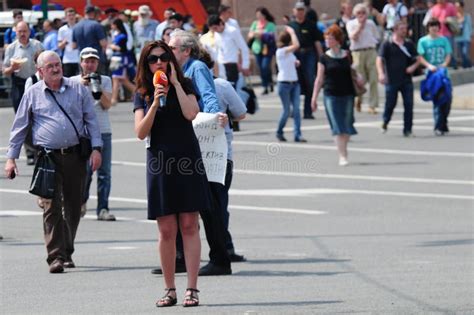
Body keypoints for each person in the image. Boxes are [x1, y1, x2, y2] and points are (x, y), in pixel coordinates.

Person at [4, 51, 102, 273]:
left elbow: (91, 121)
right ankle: (56, 256)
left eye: (57, 64)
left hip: (76, 156)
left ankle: (66, 249)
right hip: (48, 157)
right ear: (40, 71)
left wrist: (96, 149)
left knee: (74, 206)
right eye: (50, 66)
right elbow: (19, 127)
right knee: (51, 206)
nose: (56, 68)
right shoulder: (33, 93)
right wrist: (11, 158)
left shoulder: (78, 88)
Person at [134, 40, 205, 307]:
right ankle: (170, 289)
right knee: (166, 230)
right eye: (153, 59)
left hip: (187, 158)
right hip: (160, 162)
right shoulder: (142, 91)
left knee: (189, 224)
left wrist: (174, 85)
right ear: (146, 64)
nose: (159, 63)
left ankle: (192, 289)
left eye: (164, 57)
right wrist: (154, 101)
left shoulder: (185, 85)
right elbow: (140, 132)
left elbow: (192, 113)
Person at [168, 30, 236, 276]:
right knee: (191, 204)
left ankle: (220, 258)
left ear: (186, 50)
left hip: (204, 148)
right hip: (191, 146)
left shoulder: (196, 68)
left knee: (210, 206)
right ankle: (183, 257)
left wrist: (212, 120)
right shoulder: (178, 71)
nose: (169, 52)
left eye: (173, 48)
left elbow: (209, 98)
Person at [199, 49, 248, 262]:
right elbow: (241, 112)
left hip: (195, 153)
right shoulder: (222, 85)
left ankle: (197, 251)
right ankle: (225, 247)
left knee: (196, 207)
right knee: (219, 203)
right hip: (221, 152)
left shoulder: (187, 86)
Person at [72, 47, 115, 221]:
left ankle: (103, 208)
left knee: (104, 172)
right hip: (83, 133)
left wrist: (97, 86)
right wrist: (82, 86)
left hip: (103, 130)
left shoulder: (105, 80)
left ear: (98, 63)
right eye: (87, 61)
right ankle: (81, 201)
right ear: (81, 62)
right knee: (85, 171)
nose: (90, 65)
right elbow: (71, 107)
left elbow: (107, 104)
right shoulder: (73, 81)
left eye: (93, 61)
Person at [311, 25, 357, 166]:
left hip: (348, 93)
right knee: (337, 125)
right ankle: (342, 155)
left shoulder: (347, 55)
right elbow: (319, 79)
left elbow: (353, 72)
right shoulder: (324, 58)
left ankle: (344, 147)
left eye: (330, 38)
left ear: (338, 40)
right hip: (331, 94)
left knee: (348, 125)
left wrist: (359, 77)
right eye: (326, 39)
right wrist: (314, 98)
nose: (327, 41)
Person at [2, 21, 44, 165]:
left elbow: (45, 62)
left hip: (36, 82)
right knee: (23, 118)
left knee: (39, 117)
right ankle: (30, 152)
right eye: (19, 31)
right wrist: (12, 67)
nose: (22, 34)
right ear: (15, 32)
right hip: (19, 84)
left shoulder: (37, 45)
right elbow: (5, 72)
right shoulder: (12, 48)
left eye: (24, 31)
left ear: (29, 31)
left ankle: (41, 149)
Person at [377, 21, 419, 137]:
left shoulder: (409, 44)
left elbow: (418, 59)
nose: (404, 31)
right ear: (395, 30)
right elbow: (379, 59)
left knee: (409, 104)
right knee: (390, 103)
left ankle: (408, 129)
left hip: (406, 79)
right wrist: (381, 73)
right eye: (401, 29)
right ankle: (385, 121)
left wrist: (413, 67)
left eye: (405, 28)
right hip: (391, 80)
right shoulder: (387, 44)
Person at [289, 1, 324, 120]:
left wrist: (322, 58)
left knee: (309, 81)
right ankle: (294, 110)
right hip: (295, 55)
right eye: (298, 10)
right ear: (294, 11)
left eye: (302, 10)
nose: (300, 12)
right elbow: (285, 44)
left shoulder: (311, 24)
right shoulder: (291, 26)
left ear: (305, 11)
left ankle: (308, 111)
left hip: (309, 54)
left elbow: (317, 42)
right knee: (294, 82)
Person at [417, 18, 452, 136]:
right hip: (431, 74)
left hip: (443, 73)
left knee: (447, 98)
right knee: (437, 99)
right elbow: (420, 57)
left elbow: (448, 54)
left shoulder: (444, 40)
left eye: (436, 25)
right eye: (432, 26)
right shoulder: (423, 41)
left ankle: (443, 122)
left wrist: (445, 64)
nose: (434, 28)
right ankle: (438, 126)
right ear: (428, 28)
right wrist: (429, 65)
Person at [346, 3, 380, 114]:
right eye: (359, 13)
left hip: (370, 51)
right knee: (361, 79)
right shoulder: (351, 24)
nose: (361, 15)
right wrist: (360, 27)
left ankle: (372, 105)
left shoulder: (371, 24)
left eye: (363, 12)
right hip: (358, 53)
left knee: (374, 78)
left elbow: (377, 37)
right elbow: (353, 37)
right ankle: (358, 99)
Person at [275, 26, 306, 143]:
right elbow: (297, 45)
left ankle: (298, 135)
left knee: (297, 110)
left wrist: (296, 62)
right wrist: (293, 32)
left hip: (294, 83)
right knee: (286, 110)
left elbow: (292, 60)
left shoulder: (289, 53)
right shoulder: (281, 51)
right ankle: (279, 131)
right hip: (284, 84)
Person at [207, 15, 251, 88]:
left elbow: (243, 48)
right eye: (213, 29)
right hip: (221, 65)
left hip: (232, 65)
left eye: (215, 28)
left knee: (233, 88)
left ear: (221, 23)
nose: (215, 30)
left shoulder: (232, 31)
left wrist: (245, 65)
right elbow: (218, 50)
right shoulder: (216, 34)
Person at [248, 7, 277, 95]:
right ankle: (268, 83)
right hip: (257, 48)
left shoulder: (271, 25)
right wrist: (258, 34)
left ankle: (266, 84)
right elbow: (250, 34)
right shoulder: (254, 24)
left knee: (265, 66)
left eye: (260, 15)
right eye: (257, 15)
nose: (258, 16)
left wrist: (260, 33)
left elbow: (273, 36)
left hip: (267, 49)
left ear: (264, 15)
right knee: (261, 68)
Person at [72, 5, 108, 73]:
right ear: (93, 13)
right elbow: (103, 43)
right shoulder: (97, 25)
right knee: (98, 81)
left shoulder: (76, 26)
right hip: (95, 58)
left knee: (83, 80)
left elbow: (74, 46)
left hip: (82, 59)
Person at [109, 18, 136, 105]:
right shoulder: (116, 35)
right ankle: (137, 92)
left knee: (116, 78)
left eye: (113, 24)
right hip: (115, 58)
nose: (111, 26)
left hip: (120, 59)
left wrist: (113, 46)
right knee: (121, 79)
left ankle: (114, 98)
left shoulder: (123, 36)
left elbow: (123, 49)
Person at [430, 0, 457, 68]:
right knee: (442, 51)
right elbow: (433, 20)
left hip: (448, 33)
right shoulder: (434, 8)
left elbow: (455, 18)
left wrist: (448, 20)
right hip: (438, 34)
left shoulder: (450, 6)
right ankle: (445, 66)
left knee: (449, 51)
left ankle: (453, 65)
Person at [58, 8, 80, 77]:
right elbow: (59, 46)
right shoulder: (62, 30)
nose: (71, 17)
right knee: (68, 80)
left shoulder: (79, 27)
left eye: (73, 15)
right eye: (69, 15)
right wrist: (64, 43)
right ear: (66, 17)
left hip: (78, 59)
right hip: (67, 60)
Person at [454, 1, 472, 68]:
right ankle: (467, 66)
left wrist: (471, 36)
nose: (457, 8)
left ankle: (467, 65)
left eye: (458, 6)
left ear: (462, 7)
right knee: (461, 54)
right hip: (458, 38)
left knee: (465, 53)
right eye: (456, 7)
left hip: (466, 37)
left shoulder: (467, 16)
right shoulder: (455, 16)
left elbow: (470, 27)